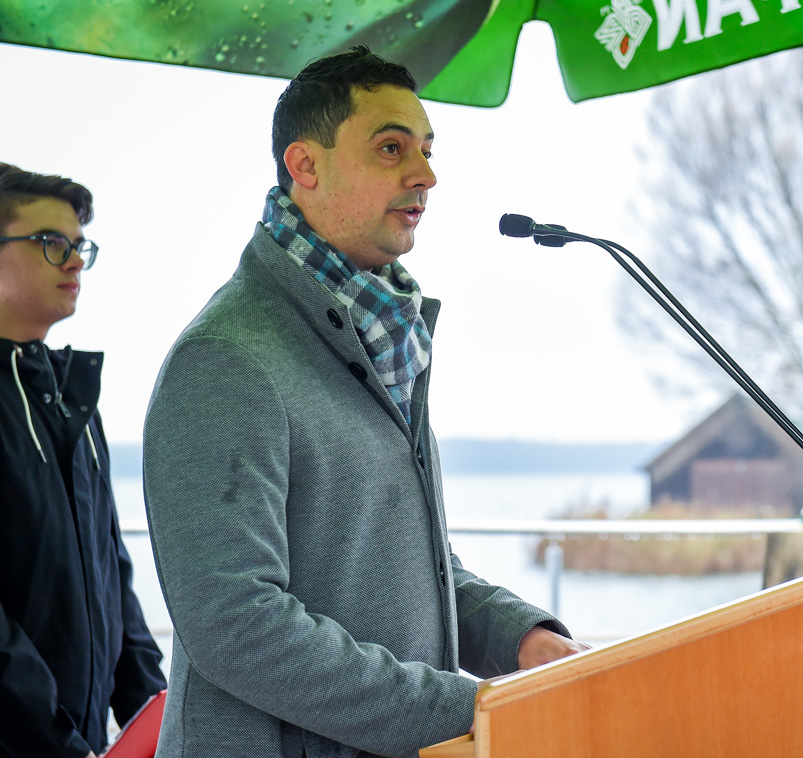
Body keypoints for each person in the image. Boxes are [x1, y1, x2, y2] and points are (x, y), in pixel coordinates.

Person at [142, 46, 588, 758]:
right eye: (391, 148)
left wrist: (523, 639)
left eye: (427, 150)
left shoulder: (384, 339)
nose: (426, 175)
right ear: (305, 165)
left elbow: (407, 568)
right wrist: (463, 708)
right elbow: (237, 627)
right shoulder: (226, 358)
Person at [0, 163, 167, 758]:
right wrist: (60, 746)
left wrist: (157, 716)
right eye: (51, 242)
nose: (74, 262)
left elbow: (111, 572)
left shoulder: (71, 396)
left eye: (79, 246)